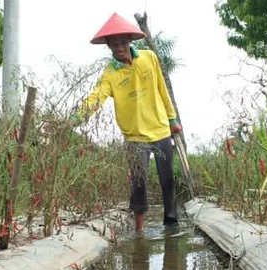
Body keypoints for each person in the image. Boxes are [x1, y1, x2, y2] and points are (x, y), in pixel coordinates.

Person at [68, 12, 182, 233]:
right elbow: (96, 97)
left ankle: (171, 225)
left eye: (122, 42)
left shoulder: (149, 58)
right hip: (134, 137)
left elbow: (162, 88)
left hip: (160, 130)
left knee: (167, 179)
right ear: (109, 46)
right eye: (114, 44)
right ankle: (139, 230)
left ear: (130, 41)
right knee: (138, 184)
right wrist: (74, 119)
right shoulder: (110, 73)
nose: (119, 47)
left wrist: (172, 119)